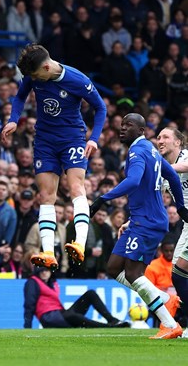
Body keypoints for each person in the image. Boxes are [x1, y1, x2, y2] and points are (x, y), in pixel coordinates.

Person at [1, 44, 107, 271]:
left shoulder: (77, 80)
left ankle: (79, 243)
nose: (34, 79)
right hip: (45, 141)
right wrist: (13, 118)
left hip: (72, 139)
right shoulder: (34, 75)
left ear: (47, 67)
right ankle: (48, 251)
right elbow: (20, 97)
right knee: (46, 195)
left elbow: (101, 108)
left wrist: (93, 138)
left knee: (76, 187)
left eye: (37, 75)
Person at [90, 113, 188, 339]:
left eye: (129, 125)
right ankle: (164, 298)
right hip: (139, 220)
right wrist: (181, 208)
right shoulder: (150, 150)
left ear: (141, 130)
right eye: (122, 125)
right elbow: (172, 176)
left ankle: (169, 323)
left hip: (147, 222)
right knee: (114, 267)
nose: (122, 128)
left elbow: (133, 181)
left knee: (134, 273)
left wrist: (102, 199)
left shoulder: (138, 151)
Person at [156, 126, 188, 337]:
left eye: (165, 136)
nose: (160, 140)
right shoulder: (165, 171)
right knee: (179, 274)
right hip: (187, 224)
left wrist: (162, 168)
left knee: (179, 272)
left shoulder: (185, 157)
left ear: (178, 142)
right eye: (158, 137)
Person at [23, 267, 129, 329]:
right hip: (49, 317)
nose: (45, 272)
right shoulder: (33, 282)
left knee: (90, 294)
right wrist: (27, 326)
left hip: (60, 314)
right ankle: (108, 327)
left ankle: (112, 320)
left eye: (47, 270)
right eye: (42, 270)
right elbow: (29, 304)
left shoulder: (51, 283)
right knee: (75, 317)